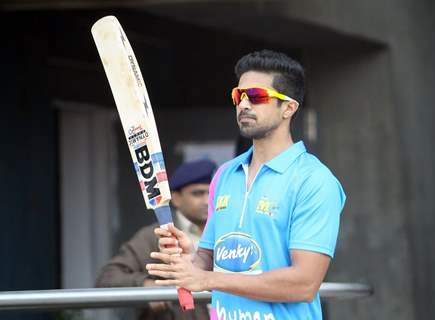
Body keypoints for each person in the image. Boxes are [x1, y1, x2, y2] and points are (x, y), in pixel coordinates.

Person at [146, 50, 346, 319]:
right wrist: (188, 261)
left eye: (257, 96)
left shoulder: (314, 181)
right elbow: (209, 260)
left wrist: (207, 280)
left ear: (289, 107)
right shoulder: (225, 174)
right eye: (238, 96)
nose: (243, 105)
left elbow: (304, 284)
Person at [96, 159, 217, 320]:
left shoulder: (228, 231)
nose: (206, 200)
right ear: (176, 198)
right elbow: (108, 278)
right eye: (198, 193)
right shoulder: (153, 235)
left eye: (211, 193)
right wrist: (147, 286)